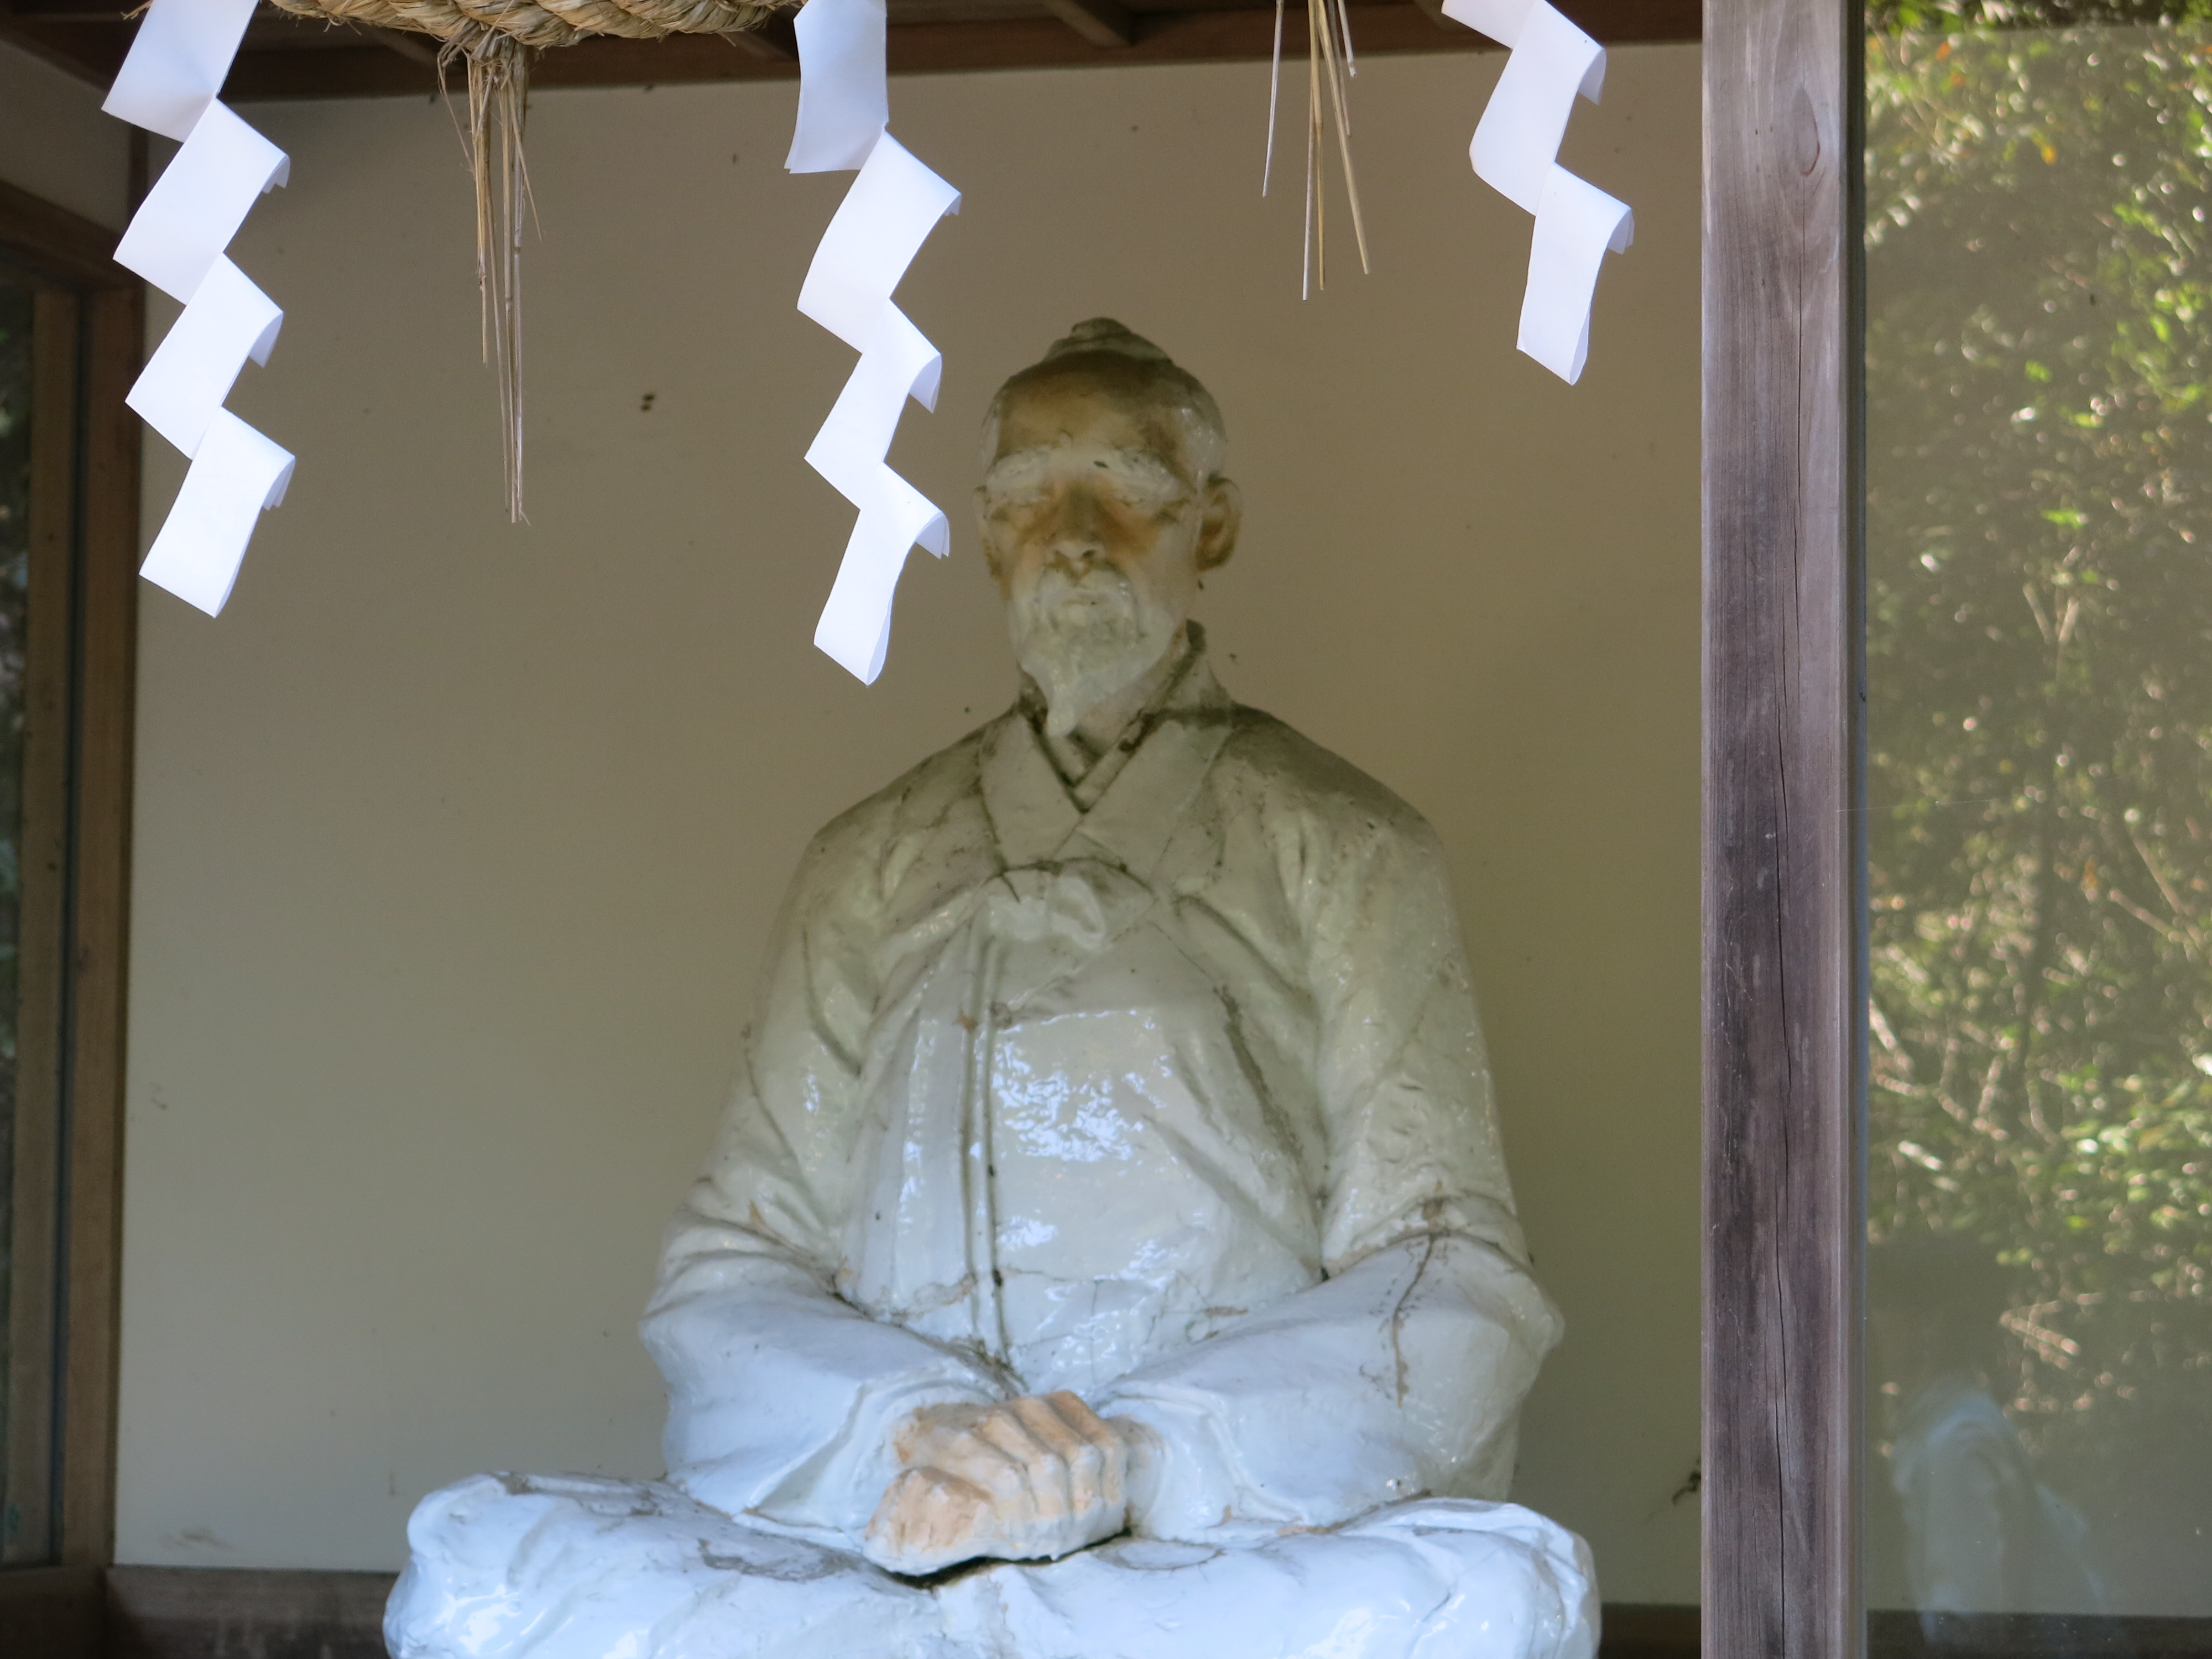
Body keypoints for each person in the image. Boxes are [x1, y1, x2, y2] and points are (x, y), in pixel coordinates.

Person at [385, 319, 1597, 1659]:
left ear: (1212, 524)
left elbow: (1447, 1273)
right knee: (479, 1570)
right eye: (1028, 496)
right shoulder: (870, 862)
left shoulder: (1347, 846)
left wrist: (1130, 1454)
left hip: (1206, 1543)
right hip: (893, 1530)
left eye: (1124, 491)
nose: (1073, 539)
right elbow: (733, 1268)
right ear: (983, 535)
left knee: (1491, 1601)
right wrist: (918, 1432)